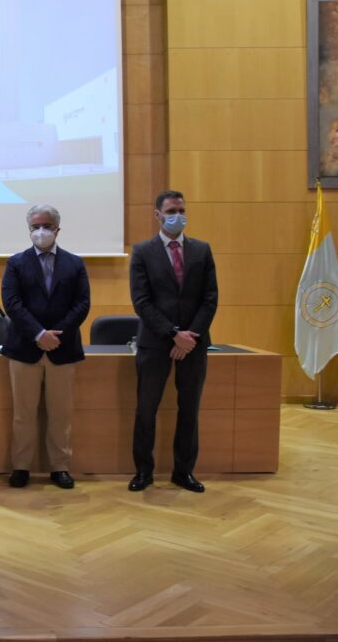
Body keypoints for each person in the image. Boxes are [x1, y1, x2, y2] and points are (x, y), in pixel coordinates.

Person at [128, 190, 218, 493]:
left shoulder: (202, 250)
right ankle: (144, 472)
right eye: (170, 211)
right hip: (155, 343)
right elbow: (141, 301)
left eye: (181, 210)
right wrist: (173, 334)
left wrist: (189, 336)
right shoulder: (142, 251)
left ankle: (184, 472)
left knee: (189, 409)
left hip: (193, 344)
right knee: (146, 410)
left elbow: (210, 299)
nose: (177, 215)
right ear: (158, 215)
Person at [0, 204, 90, 489]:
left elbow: (82, 304)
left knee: (60, 414)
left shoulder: (75, 264)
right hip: (24, 348)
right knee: (23, 414)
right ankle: (21, 467)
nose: (41, 231)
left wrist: (55, 335)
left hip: (63, 349)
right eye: (35, 226)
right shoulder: (16, 263)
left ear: (57, 229)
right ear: (29, 230)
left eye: (47, 226)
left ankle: (60, 467)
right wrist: (39, 334)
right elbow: (12, 303)